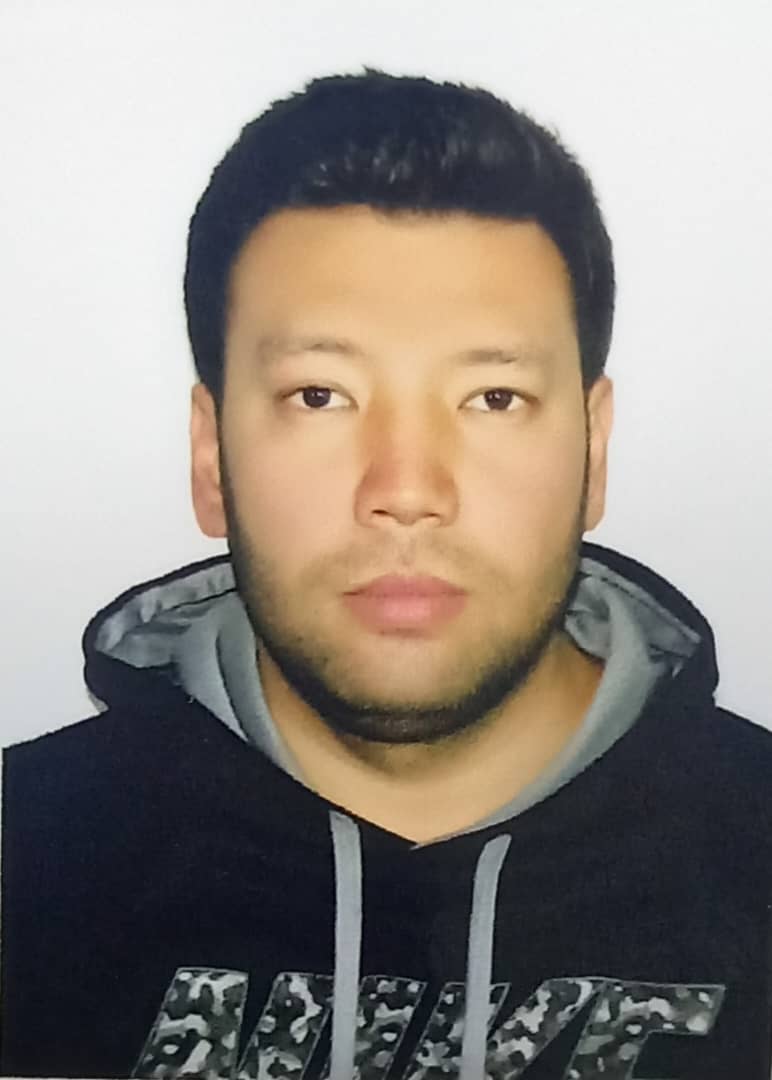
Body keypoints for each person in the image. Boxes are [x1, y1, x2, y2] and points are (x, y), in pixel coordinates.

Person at [2, 69, 770, 1080]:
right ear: (210, 457)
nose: (405, 490)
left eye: (492, 398)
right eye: (320, 395)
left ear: (592, 452)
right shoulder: (25, 868)